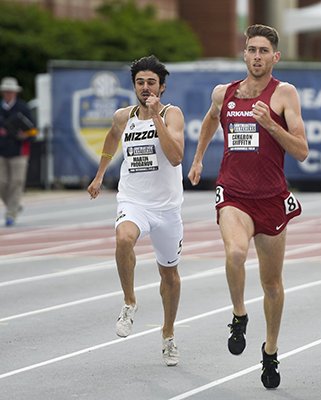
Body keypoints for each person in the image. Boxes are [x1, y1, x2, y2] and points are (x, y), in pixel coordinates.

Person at [187, 24, 308, 389]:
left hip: (271, 198)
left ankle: (270, 351)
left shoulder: (284, 94)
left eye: (263, 51)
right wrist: (197, 161)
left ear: (275, 57)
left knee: (272, 284)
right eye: (251, 50)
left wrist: (270, 124)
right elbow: (210, 121)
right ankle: (239, 314)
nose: (257, 56)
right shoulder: (224, 93)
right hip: (234, 193)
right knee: (235, 253)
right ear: (244, 54)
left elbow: (301, 151)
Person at [87, 55, 185, 367]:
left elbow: (176, 157)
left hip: (167, 208)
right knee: (123, 238)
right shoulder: (122, 116)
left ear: (162, 87)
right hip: (134, 201)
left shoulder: (172, 114)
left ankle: (168, 333)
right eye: (140, 82)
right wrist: (101, 173)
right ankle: (129, 301)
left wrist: (156, 118)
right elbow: (112, 138)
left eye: (151, 83)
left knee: (169, 274)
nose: (145, 88)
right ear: (134, 86)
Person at [0, 77, 36, 227]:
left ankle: (11, 213)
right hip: (1, 150)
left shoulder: (23, 107)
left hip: (20, 150)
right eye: (6, 91)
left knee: (17, 181)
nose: (8, 94)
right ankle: (13, 205)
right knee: (1, 182)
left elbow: (33, 130)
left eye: (11, 92)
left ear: (15, 93)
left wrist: (25, 134)